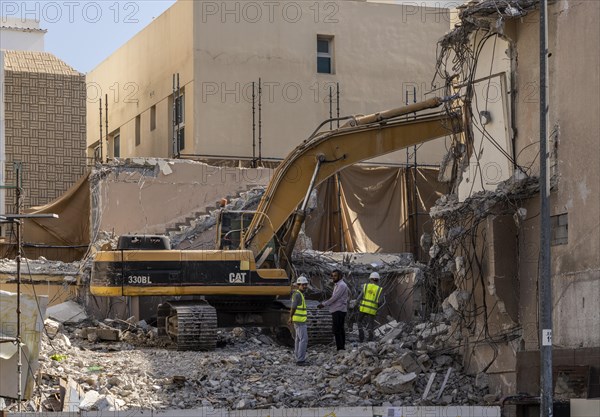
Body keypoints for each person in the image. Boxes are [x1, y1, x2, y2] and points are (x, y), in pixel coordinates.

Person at [318, 269, 350, 351]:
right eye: (332, 276)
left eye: (335, 276)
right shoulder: (337, 285)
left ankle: (340, 348)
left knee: (337, 330)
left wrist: (324, 304)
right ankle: (341, 347)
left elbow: (335, 298)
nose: (333, 277)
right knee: (340, 329)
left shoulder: (342, 285)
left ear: (340, 276)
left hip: (338, 310)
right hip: (337, 309)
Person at [356, 272, 384, 342]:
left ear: (370, 279)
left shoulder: (365, 286)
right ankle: (370, 338)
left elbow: (360, 296)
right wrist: (377, 308)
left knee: (359, 321)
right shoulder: (379, 289)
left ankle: (361, 336)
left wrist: (356, 302)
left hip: (363, 308)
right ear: (378, 280)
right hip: (372, 310)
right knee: (371, 324)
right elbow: (380, 302)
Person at [289, 275, 310, 366]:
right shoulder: (298, 294)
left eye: (305, 284)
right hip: (300, 321)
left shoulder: (299, 294)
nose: (305, 286)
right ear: (298, 285)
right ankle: (300, 360)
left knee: (298, 339)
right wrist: (290, 317)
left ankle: (298, 357)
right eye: (303, 285)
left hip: (298, 320)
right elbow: (293, 307)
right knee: (303, 340)